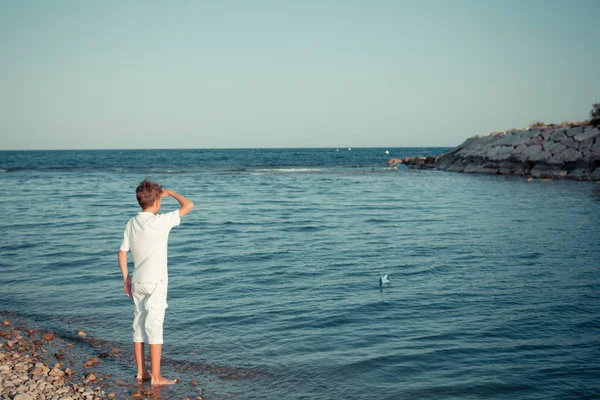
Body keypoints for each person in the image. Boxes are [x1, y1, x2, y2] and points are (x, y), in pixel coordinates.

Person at [118, 179, 194, 385]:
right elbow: (189, 205)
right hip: (156, 282)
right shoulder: (161, 221)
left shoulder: (132, 222)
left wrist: (126, 279)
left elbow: (122, 252)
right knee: (155, 326)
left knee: (139, 325)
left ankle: (141, 372)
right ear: (157, 201)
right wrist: (170, 192)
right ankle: (157, 377)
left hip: (138, 281)